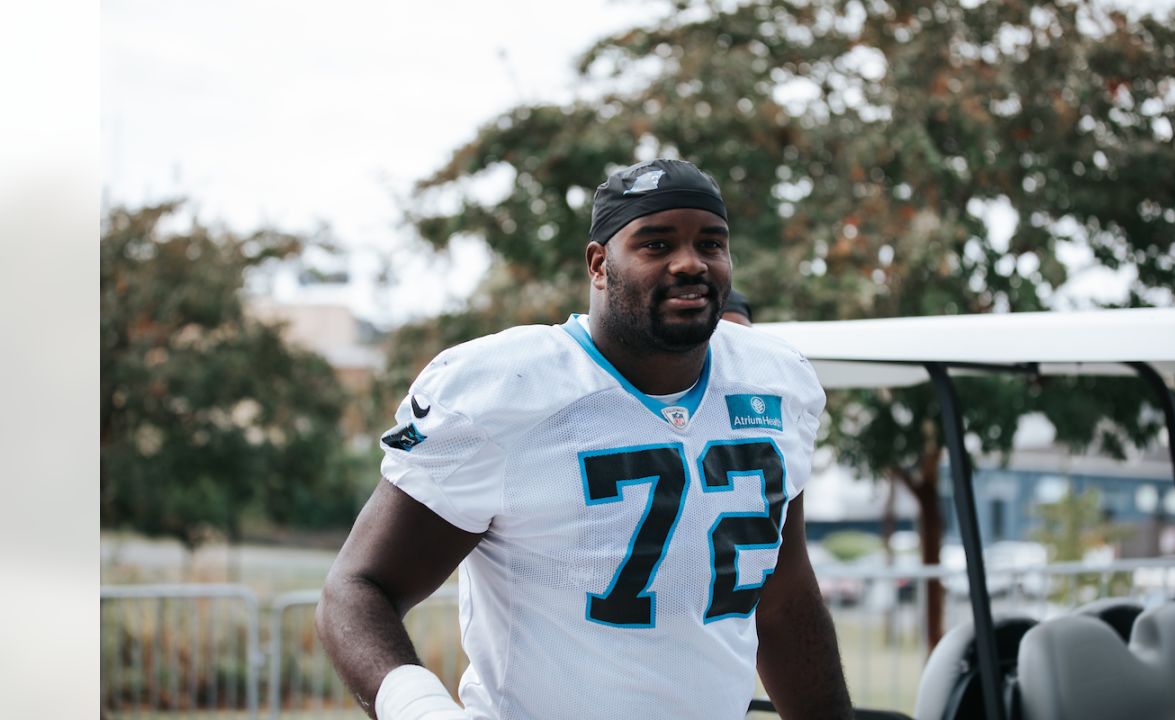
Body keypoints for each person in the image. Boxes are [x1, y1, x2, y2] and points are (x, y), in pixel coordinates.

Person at [316, 158, 855, 720]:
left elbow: (784, 600)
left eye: (712, 244)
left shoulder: (776, 379)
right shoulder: (505, 390)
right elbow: (357, 587)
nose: (690, 262)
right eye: (656, 244)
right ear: (599, 264)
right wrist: (423, 711)